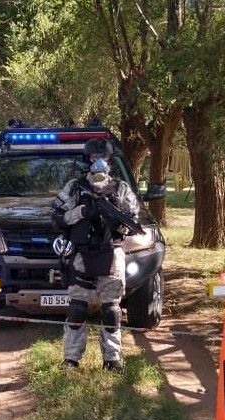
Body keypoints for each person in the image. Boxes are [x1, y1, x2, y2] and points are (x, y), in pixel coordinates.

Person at [51, 138, 140, 373]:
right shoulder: (75, 187)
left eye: (105, 158)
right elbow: (57, 216)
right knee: (77, 309)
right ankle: (71, 359)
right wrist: (82, 211)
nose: (99, 162)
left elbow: (133, 221)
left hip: (112, 255)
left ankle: (112, 359)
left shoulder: (121, 189)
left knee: (111, 311)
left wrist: (116, 220)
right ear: (87, 160)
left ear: (111, 160)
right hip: (81, 255)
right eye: (94, 158)